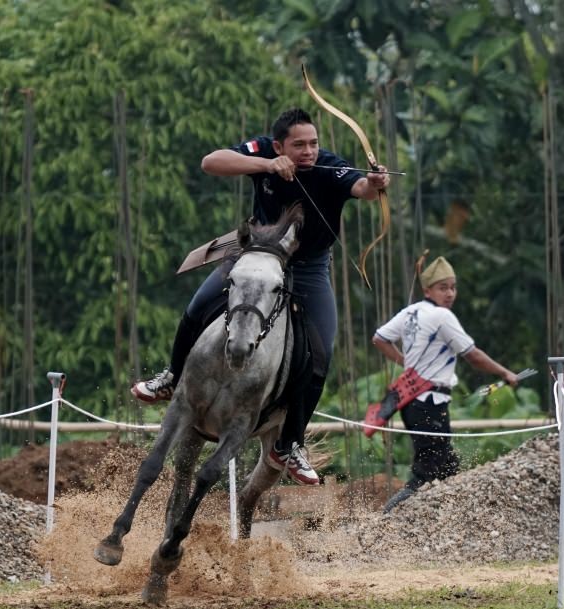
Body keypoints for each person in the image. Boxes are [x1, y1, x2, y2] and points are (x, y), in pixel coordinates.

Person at [132, 107, 390, 486]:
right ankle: (172, 377)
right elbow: (211, 162)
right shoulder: (262, 152)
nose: (309, 151)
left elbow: (362, 189)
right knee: (198, 306)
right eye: (299, 145)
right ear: (279, 144)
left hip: (307, 269)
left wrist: (376, 182)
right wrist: (267, 166)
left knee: (321, 351)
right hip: (257, 257)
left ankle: (288, 443)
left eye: (313, 143)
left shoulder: (330, 166)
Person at [371, 256, 520, 512]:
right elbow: (472, 355)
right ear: (427, 290)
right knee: (426, 473)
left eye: (453, 287)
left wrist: (404, 361)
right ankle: (385, 519)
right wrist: (506, 373)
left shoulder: (410, 312)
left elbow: (379, 338)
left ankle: (445, 523)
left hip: (415, 403)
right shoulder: (442, 316)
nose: (450, 293)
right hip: (428, 402)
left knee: (447, 467)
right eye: (443, 288)